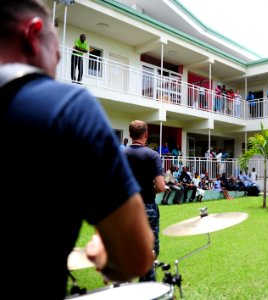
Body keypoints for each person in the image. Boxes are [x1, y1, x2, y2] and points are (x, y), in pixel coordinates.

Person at [0, 1, 155, 298]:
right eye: (56, 55)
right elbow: (136, 257)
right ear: (32, 33)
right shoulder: (68, 108)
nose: (55, 65)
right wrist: (103, 252)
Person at [124, 120, 166, 282]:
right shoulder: (152, 155)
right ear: (146, 135)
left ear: (130, 135)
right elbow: (161, 187)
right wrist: (151, 190)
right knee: (149, 252)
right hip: (147, 208)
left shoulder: (121, 155)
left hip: (126, 210)